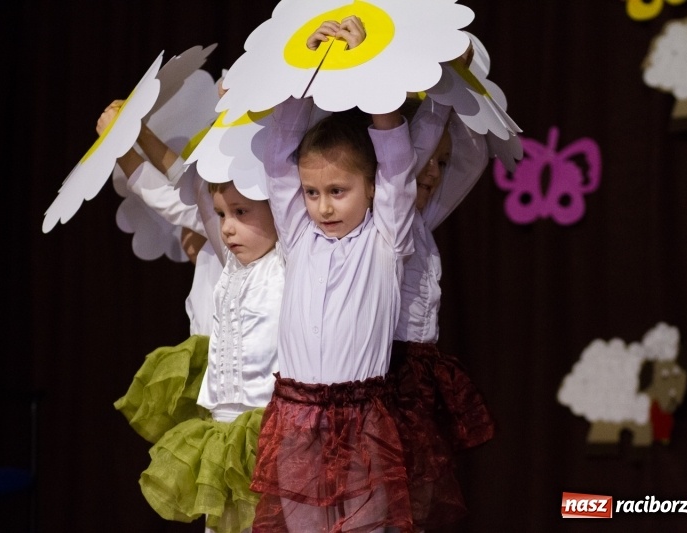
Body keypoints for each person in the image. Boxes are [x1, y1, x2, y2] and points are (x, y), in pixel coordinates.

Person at [249, 16, 418, 533]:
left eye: (338, 191)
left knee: (367, 526)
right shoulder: (298, 238)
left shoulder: (386, 238)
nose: (322, 206)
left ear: (370, 187)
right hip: (297, 415)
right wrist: (312, 63)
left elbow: (396, 158)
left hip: (363, 416)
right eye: (313, 193)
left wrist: (367, 65)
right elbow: (280, 157)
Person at [139, 176, 284, 533]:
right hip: (222, 435)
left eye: (241, 212)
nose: (228, 228)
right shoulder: (231, 268)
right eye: (221, 215)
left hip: (269, 432)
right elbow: (198, 194)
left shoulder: (287, 265)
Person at [388, 95, 496, 530]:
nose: (434, 172)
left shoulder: (423, 220)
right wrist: (438, 93)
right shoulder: (383, 221)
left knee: (412, 498)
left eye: (441, 163)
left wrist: (453, 88)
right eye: (426, 159)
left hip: (417, 376)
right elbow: (414, 153)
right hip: (384, 370)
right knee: (384, 492)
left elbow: (471, 161)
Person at [102, 100, 224, 444]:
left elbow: (179, 199)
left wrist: (122, 144)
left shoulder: (237, 231)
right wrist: (135, 131)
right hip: (212, 380)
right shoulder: (219, 236)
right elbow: (184, 188)